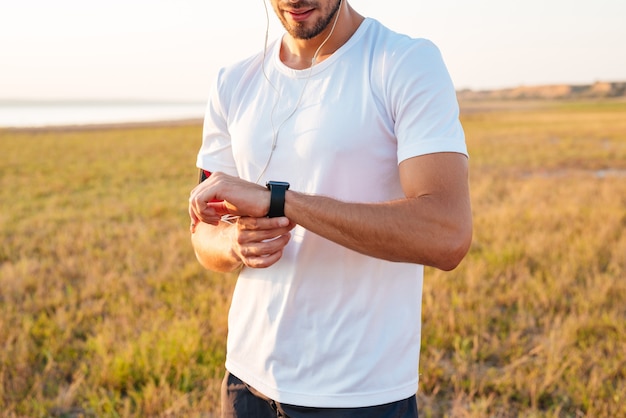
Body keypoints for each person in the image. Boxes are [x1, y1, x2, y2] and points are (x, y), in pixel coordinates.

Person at [188, 0, 472, 416]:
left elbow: (446, 233)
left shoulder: (405, 62)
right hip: (246, 384)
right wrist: (235, 242)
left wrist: (279, 201)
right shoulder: (232, 82)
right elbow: (202, 237)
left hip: (359, 394)